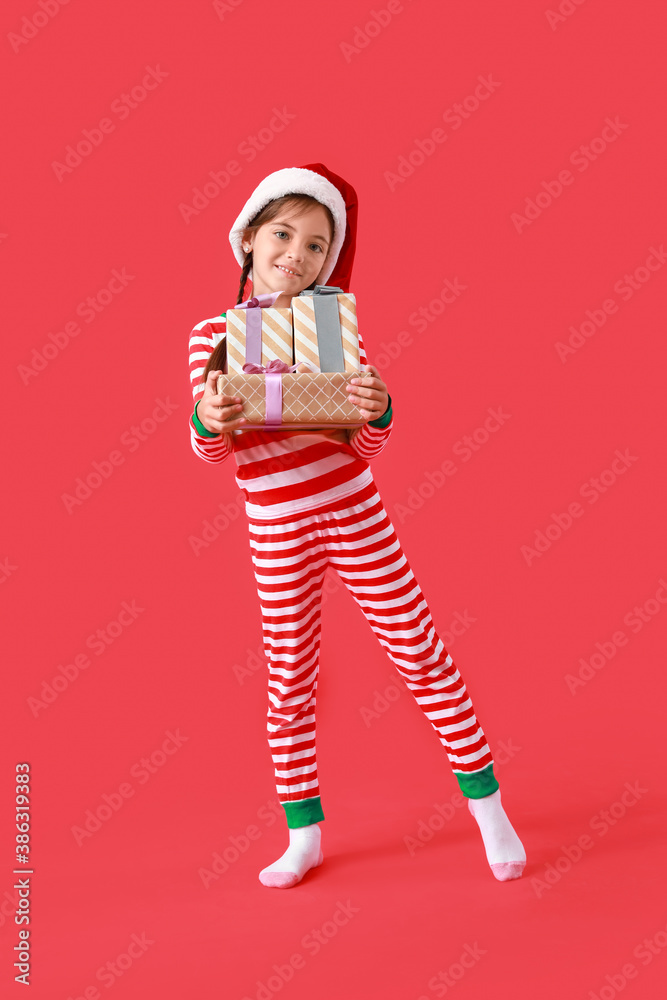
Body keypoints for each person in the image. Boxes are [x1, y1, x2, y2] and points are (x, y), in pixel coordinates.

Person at [187, 163, 526, 888]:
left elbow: (363, 443)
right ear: (246, 240)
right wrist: (206, 419)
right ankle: (302, 833)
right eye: (282, 233)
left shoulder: (335, 326)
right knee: (289, 677)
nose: (296, 254)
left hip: (354, 511)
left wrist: (378, 410)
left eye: (316, 246)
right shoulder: (209, 335)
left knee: (420, 652)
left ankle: (490, 811)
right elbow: (211, 451)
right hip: (274, 528)